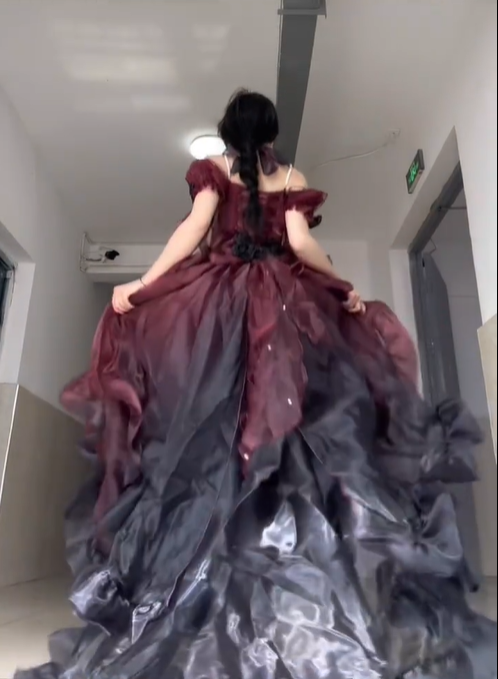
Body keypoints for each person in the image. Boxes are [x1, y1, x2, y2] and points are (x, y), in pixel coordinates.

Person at [16, 90, 496, 679]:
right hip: (284, 307)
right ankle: (297, 576)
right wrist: (341, 284)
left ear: (226, 131)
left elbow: (194, 230)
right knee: (297, 428)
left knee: (210, 428)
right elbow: (300, 243)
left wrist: (142, 284)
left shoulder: (213, 172)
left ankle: (207, 577)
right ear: (271, 134)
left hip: (219, 308)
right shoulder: (291, 176)